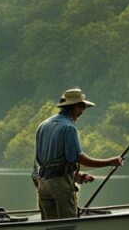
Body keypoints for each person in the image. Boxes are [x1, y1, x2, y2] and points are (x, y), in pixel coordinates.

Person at [33, 88, 122, 219]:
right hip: (61, 186)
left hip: (43, 185)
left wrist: (77, 176)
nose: (82, 112)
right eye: (81, 107)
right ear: (73, 107)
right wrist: (110, 161)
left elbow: (41, 161)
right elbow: (79, 158)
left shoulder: (42, 126)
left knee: (48, 227)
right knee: (68, 225)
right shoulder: (69, 128)